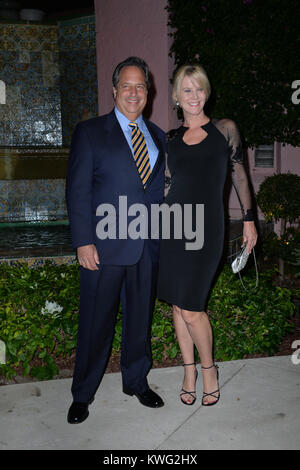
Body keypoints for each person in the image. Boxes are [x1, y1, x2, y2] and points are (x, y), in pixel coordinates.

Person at [66, 56, 165, 424]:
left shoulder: (157, 137)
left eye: (141, 86)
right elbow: (77, 191)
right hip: (103, 249)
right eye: (127, 85)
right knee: (95, 324)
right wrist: (82, 241)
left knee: (140, 320)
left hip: (146, 248)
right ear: (114, 89)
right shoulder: (90, 132)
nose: (134, 92)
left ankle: (137, 382)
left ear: (148, 92)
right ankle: (82, 394)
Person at [157, 64, 257, 406]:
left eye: (199, 88)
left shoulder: (224, 129)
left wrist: (248, 220)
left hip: (207, 230)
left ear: (207, 92)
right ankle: (189, 371)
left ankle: (209, 369)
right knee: (177, 305)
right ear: (175, 96)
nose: (194, 96)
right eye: (187, 90)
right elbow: (167, 186)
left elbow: (240, 174)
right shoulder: (169, 139)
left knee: (192, 308)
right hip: (172, 228)